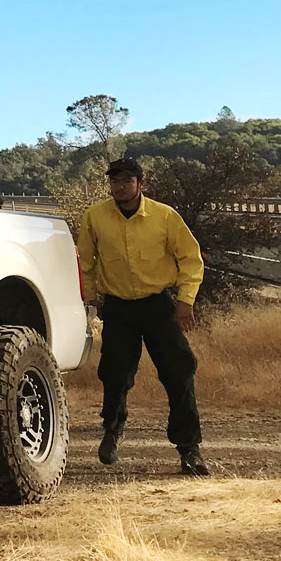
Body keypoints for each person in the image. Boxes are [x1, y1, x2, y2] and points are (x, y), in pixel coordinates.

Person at [75, 158, 210, 476]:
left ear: (141, 184)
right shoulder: (96, 216)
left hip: (158, 307)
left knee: (179, 373)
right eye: (115, 182)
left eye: (127, 181)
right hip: (118, 309)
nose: (120, 187)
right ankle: (112, 431)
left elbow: (191, 259)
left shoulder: (164, 216)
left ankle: (189, 450)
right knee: (115, 375)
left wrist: (185, 302)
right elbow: (86, 261)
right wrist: (92, 297)